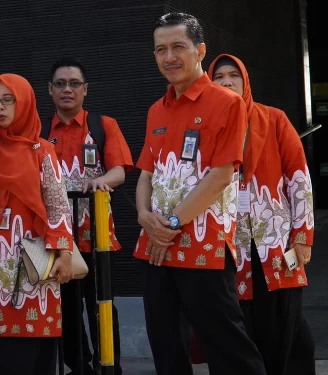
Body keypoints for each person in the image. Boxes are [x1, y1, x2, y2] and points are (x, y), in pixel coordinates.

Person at [133, 12, 267, 375]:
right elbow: (146, 173)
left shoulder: (226, 103)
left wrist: (172, 223)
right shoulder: (155, 109)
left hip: (203, 246)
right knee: (165, 342)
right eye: (160, 49)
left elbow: (222, 175)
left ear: (200, 50)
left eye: (178, 46)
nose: (169, 57)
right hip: (156, 246)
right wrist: (145, 217)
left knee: (226, 342)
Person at [0, 73, 74, 375]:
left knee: (27, 354)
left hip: (28, 258)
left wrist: (65, 253)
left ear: (25, 103)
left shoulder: (41, 150)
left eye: (9, 100)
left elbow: (58, 206)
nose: (1, 107)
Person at [207, 53, 315, 375]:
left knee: (288, 327)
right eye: (219, 77)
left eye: (233, 76)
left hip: (276, 243)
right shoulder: (208, 127)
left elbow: (299, 180)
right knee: (240, 333)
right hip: (229, 248)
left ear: (245, 80)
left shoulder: (274, 119)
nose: (226, 82)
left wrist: (303, 237)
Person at [42, 57, 133, 375]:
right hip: (54, 237)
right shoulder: (41, 132)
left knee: (101, 305)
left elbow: (120, 171)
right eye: (61, 84)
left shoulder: (102, 125)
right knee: (63, 307)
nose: (67, 89)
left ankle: (109, 366)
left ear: (85, 89)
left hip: (96, 236)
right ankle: (77, 367)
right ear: (50, 90)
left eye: (74, 84)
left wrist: (101, 181)